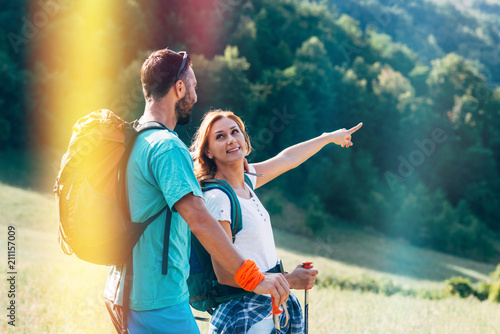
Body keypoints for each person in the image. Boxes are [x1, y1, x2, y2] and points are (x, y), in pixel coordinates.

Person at [103, 48, 290, 334]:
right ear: (179, 88)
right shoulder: (168, 146)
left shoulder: (137, 139)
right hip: (158, 300)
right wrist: (254, 278)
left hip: (123, 291)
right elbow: (200, 220)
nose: (195, 95)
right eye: (193, 86)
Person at [190, 110, 362, 333]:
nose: (231, 139)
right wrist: (289, 280)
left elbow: (287, 159)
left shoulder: (246, 182)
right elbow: (225, 274)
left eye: (235, 132)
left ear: (244, 139)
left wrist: (328, 137)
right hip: (245, 315)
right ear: (209, 152)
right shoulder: (218, 198)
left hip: (266, 308)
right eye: (220, 136)